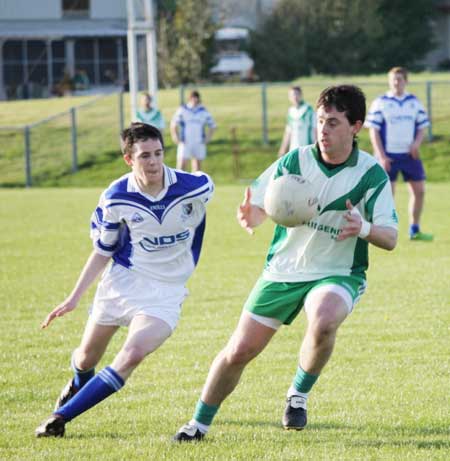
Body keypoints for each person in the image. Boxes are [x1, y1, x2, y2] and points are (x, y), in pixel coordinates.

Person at [173, 85, 398, 442]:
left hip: (338, 273)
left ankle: (298, 395)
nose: (323, 130)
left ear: (356, 126)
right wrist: (253, 215)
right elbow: (264, 202)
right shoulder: (295, 160)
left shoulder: (372, 176)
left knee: (323, 319)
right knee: (239, 350)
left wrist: (364, 227)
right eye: (321, 121)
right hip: (284, 270)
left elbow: (390, 237)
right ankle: (197, 425)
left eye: (333, 123)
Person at [35, 122, 214, 438]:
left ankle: (59, 418)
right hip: (121, 282)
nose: (155, 162)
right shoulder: (116, 196)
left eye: (159, 153)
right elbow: (103, 250)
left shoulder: (197, 186)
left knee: (132, 354)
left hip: (166, 293)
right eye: (145, 156)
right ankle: (77, 382)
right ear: (129, 159)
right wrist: (74, 297)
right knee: (86, 357)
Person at [365, 67, 433, 241]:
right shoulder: (381, 102)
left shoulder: (414, 102)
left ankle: (415, 230)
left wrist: (416, 144)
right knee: (387, 197)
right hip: (388, 156)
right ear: (389, 81)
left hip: (409, 156)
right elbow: (373, 130)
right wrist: (381, 155)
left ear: (406, 81)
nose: (396, 82)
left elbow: (422, 126)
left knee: (420, 191)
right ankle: (379, 232)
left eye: (400, 79)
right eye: (393, 79)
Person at [170, 90, 216, 172]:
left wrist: (208, 138)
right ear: (190, 98)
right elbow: (173, 124)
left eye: (196, 98)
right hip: (185, 141)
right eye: (193, 98)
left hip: (198, 141)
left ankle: (195, 184)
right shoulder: (183, 109)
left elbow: (212, 126)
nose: (195, 100)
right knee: (181, 165)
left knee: (197, 166)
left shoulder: (203, 111)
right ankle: (179, 183)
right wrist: (175, 136)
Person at [278, 85, 316, 157]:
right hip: (293, 150)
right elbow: (288, 132)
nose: (295, 97)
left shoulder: (308, 109)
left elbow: (315, 129)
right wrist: (283, 149)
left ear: (301, 95)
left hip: (307, 150)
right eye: (292, 95)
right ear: (289, 97)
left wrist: (317, 147)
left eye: (297, 94)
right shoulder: (290, 111)